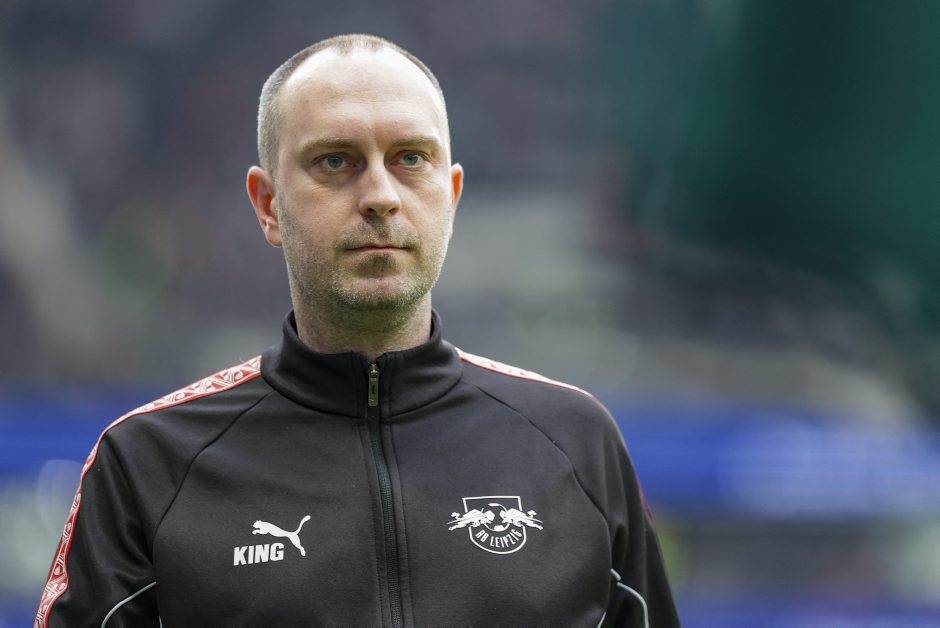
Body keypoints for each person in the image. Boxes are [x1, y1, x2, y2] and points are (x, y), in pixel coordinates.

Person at [36, 34, 681, 627]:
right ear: (268, 205)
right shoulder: (147, 465)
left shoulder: (576, 442)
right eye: (336, 161)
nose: (380, 195)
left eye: (410, 158)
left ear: (451, 194)